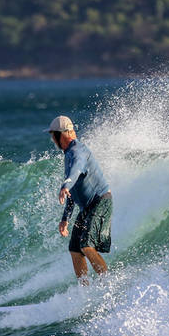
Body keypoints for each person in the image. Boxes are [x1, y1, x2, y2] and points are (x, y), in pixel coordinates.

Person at [46, 115, 113, 284]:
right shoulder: (68, 154)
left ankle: (108, 284)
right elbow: (73, 189)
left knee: (86, 244)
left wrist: (65, 185)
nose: (52, 140)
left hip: (100, 202)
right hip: (87, 208)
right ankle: (85, 291)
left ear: (61, 135)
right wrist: (65, 219)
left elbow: (76, 170)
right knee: (75, 250)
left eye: (53, 135)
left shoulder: (77, 152)